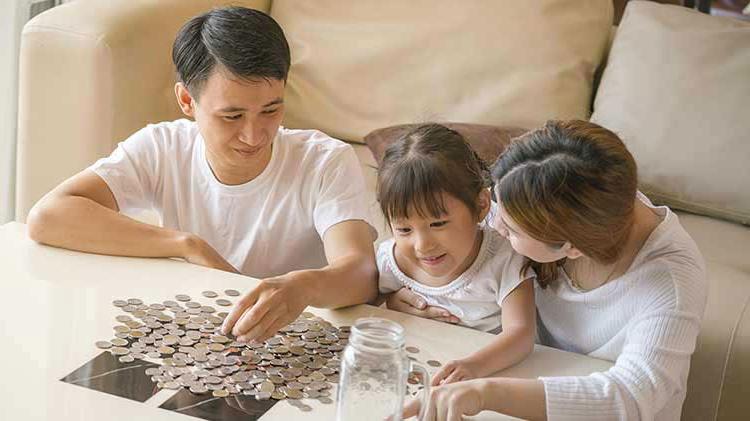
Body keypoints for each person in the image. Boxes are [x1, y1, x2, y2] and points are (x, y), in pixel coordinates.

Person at [26, 7, 377, 343]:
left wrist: (304, 287)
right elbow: (48, 217)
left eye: (271, 109)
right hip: (196, 329)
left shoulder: (325, 160)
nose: (254, 135)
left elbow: (361, 274)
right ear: (187, 101)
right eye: (232, 116)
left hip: (293, 340)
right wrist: (186, 245)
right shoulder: (162, 147)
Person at [401, 120, 707, 420]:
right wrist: (413, 292)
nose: (493, 225)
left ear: (572, 249)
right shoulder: (554, 190)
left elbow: (628, 398)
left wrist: (485, 393)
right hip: (525, 374)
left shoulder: (671, 284)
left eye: (511, 230)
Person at [375, 124, 536, 385]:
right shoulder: (391, 260)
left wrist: (471, 367)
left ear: (481, 205)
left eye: (438, 224)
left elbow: (521, 333)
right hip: (420, 375)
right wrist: (391, 304)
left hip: (491, 377)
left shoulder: (504, 257)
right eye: (404, 229)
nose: (422, 245)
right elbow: (368, 313)